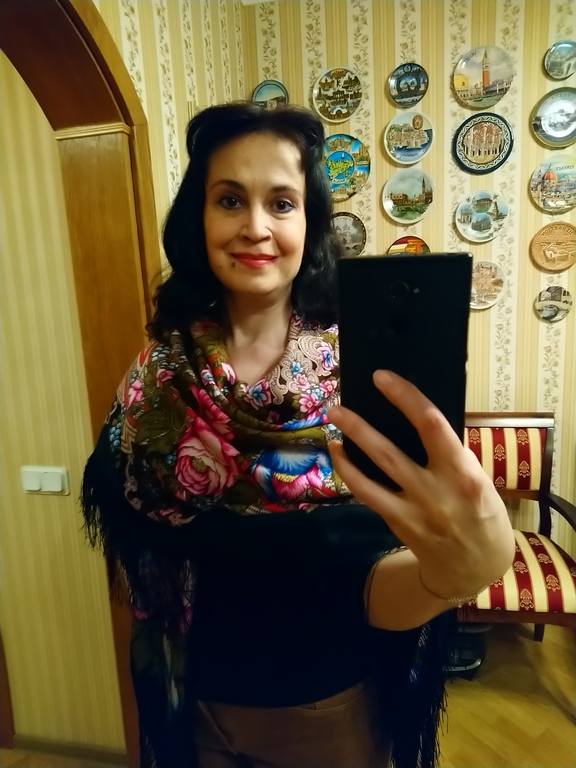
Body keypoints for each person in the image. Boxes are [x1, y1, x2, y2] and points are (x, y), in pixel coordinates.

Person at [82, 102, 514, 768]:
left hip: (322, 708)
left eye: (281, 203)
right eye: (230, 199)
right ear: (200, 217)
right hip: (188, 697)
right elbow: (139, 528)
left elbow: (368, 573)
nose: (255, 226)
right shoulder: (161, 371)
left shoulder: (360, 382)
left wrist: (451, 577)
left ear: (309, 222)